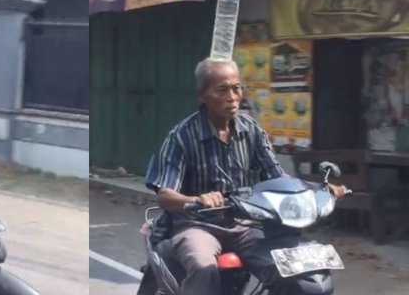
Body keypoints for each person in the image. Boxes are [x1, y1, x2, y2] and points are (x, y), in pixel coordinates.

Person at [145, 58, 347, 295]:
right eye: (222, 90)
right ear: (203, 95)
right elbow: (165, 196)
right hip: (197, 226)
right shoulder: (181, 136)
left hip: (245, 226)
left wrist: (319, 191)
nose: (232, 96)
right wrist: (198, 200)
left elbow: (278, 177)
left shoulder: (252, 130)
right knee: (203, 267)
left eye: (236, 88)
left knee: (288, 267)